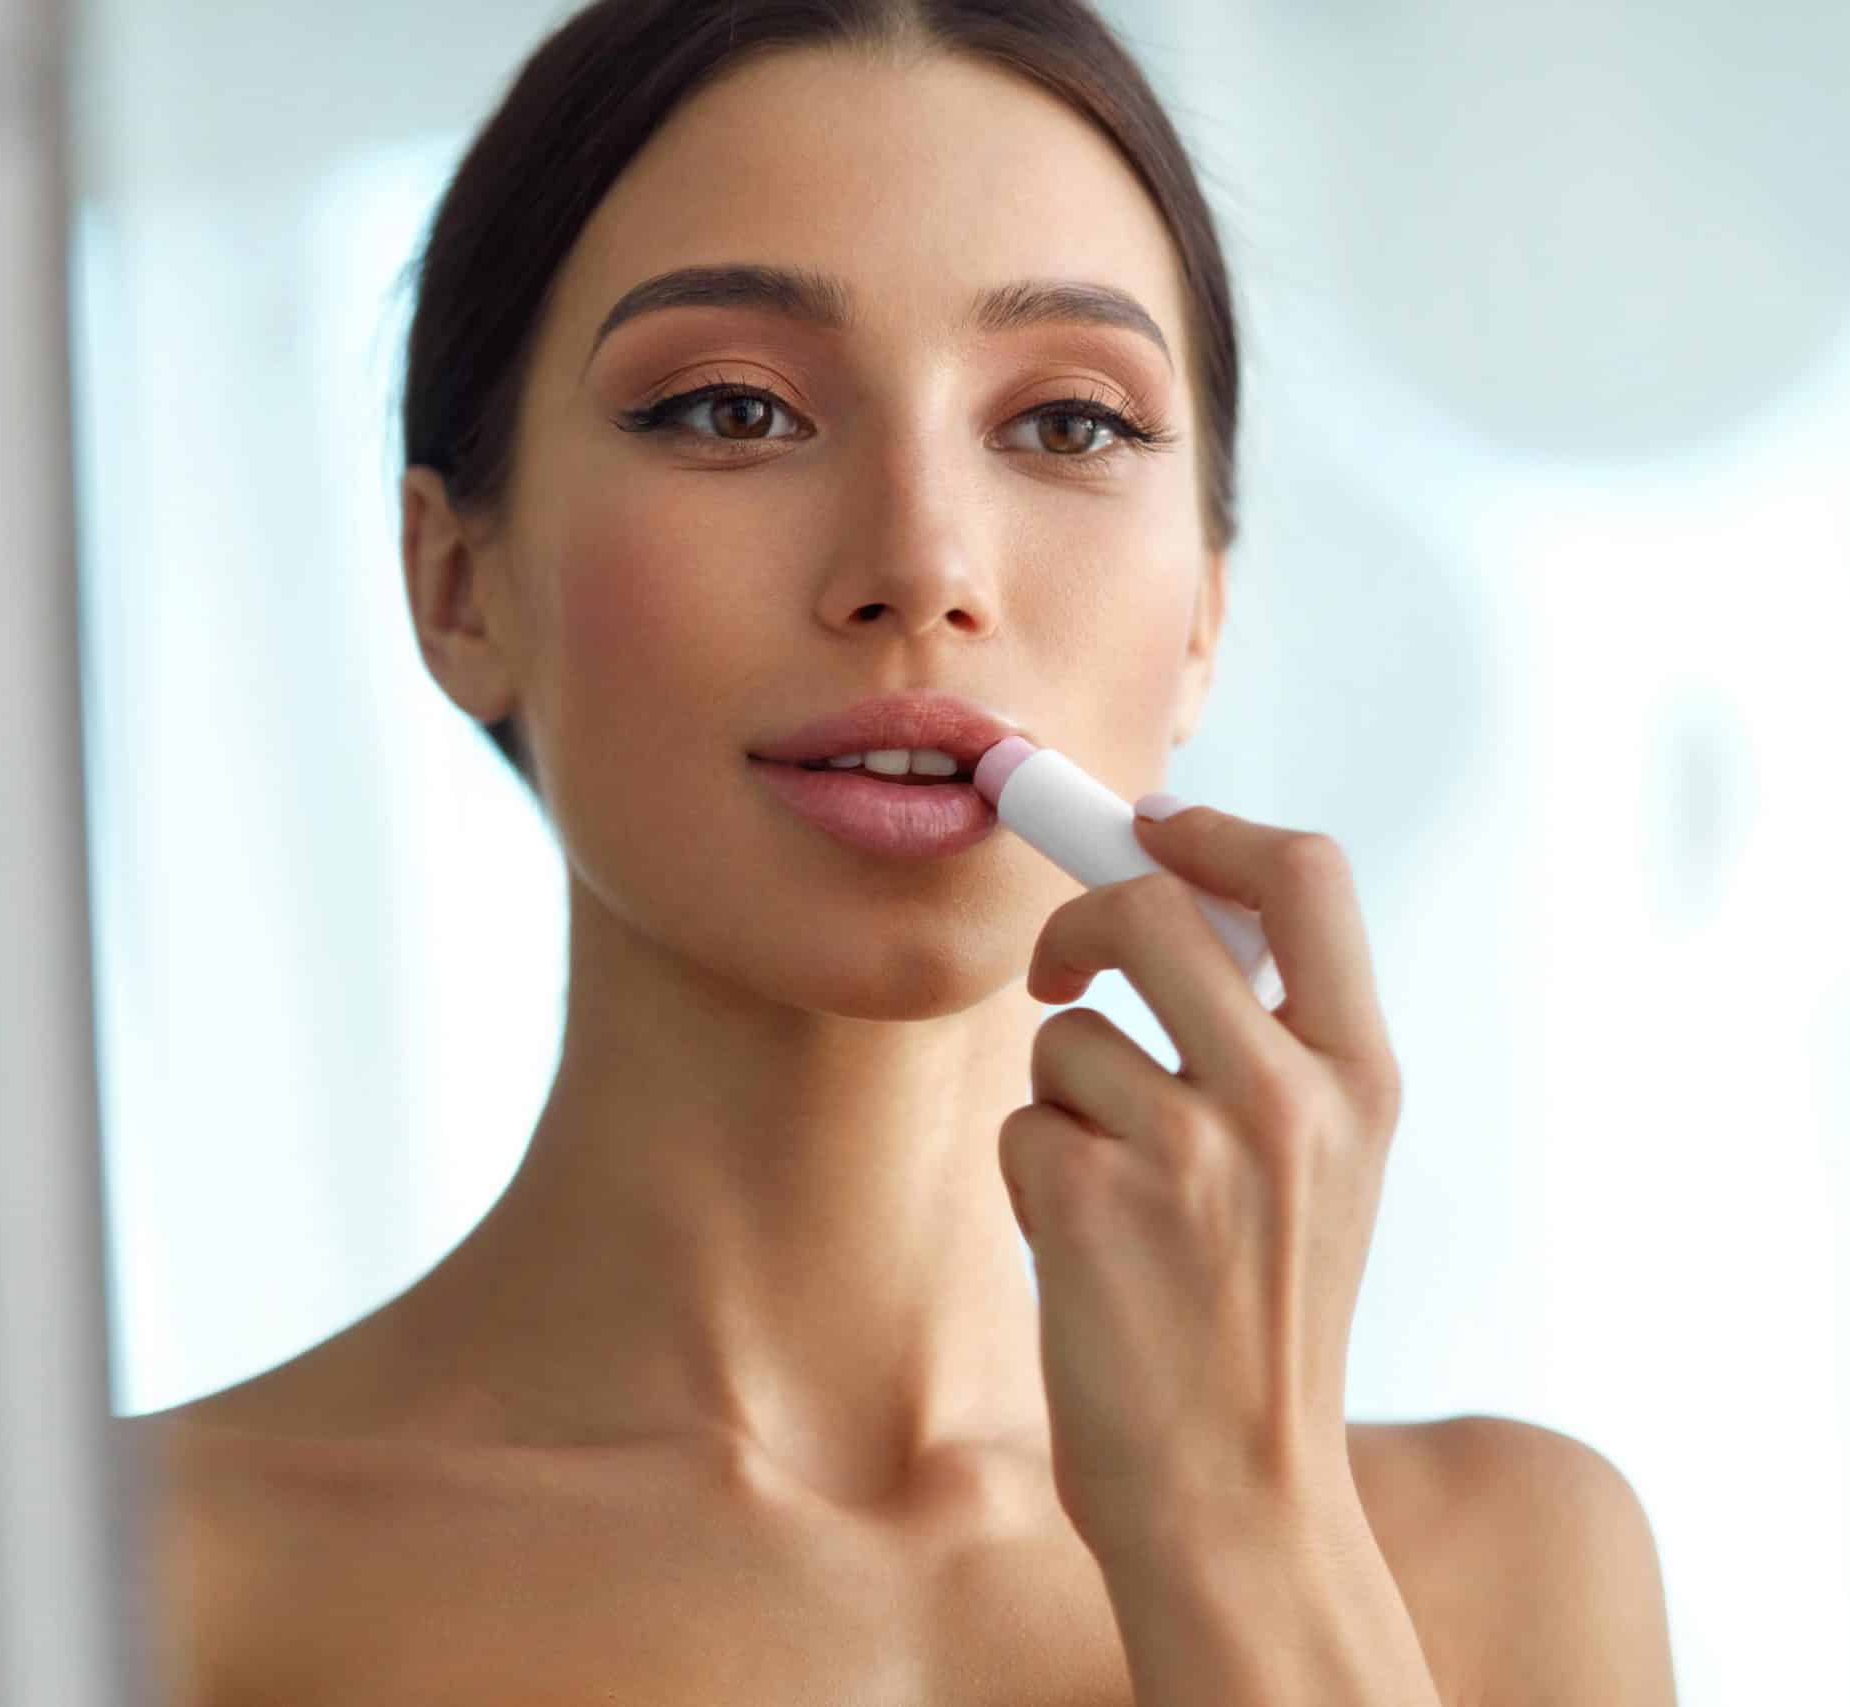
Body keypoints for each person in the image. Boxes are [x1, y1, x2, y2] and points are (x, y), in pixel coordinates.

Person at [124, 2, 1677, 1702]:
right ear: (458, 586)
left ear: (1206, 619)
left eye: (1070, 424)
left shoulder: (1509, 1570)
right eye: (732, 412)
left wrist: (1245, 1534)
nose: (922, 563)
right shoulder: (138, 1588)